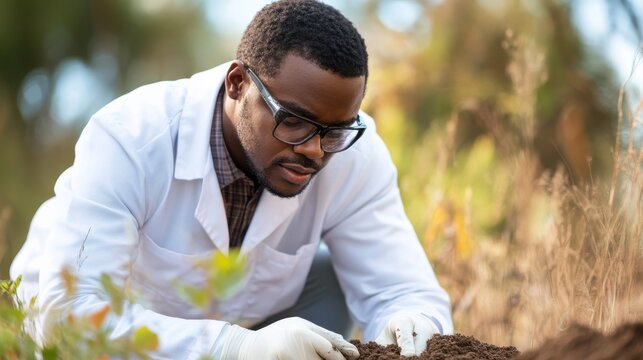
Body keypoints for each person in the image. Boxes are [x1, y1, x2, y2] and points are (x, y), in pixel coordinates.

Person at [10, 0, 453, 358]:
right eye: (294, 121)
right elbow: (67, 315)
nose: (315, 150)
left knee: (335, 274)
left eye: (335, 130)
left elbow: (402, 289)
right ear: (238, 83)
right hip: (107, 334)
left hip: (252, 326)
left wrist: (410, 319)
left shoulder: (353, 150)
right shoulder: (131, 138)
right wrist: (236, 348)